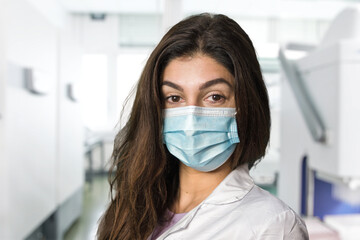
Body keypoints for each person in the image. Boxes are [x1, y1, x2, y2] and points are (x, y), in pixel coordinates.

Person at [97, 13, 309, 240]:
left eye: (214, 97)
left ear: (247, 104)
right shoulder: (131, 206)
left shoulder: (273, 225)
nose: (191, 119)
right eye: (175, 98)